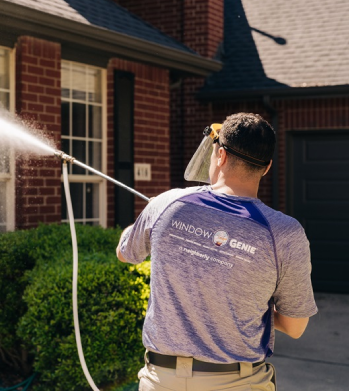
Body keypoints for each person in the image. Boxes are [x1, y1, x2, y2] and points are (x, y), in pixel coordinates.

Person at [116, 113, 317, 391]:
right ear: (267, 167)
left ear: (220, 155)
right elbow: (294, 327)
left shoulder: (165, 204)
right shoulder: (285, 232)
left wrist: (142, 222)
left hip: (163, 380)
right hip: (239, 382)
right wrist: (248, 302)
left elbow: (125, 253)